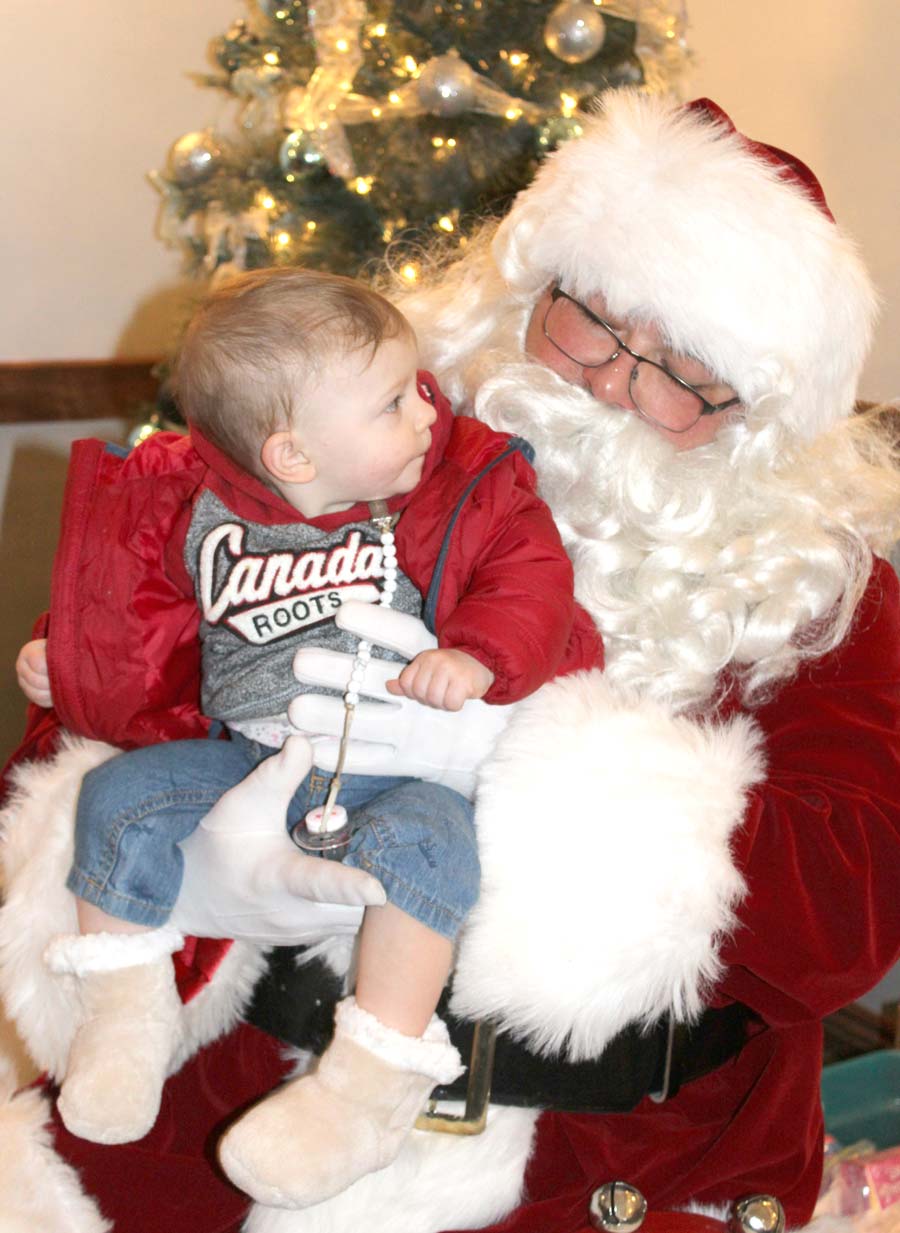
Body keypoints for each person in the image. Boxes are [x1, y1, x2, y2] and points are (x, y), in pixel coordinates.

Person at [4, 88, 900, 1233]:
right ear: (529, 285)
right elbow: (72, 736)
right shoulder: (325, 450)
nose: (614, 384)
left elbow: (852, 912)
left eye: (685, 374)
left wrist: (541, 765)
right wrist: (198, 873)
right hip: (243, 1099)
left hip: (614, 1157)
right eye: (595, 323)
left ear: (758, 415)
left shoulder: (813, 588)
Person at [9, 267, 599, 1210]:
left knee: (434, 848)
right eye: (393, 402)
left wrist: (481, 656)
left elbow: (526, 568)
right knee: (116, 800)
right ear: (290, 452)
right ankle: (124, 1020)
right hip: (247, 758)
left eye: (417, 390)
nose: (425, 414)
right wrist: (64, 657)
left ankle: (366, 1086)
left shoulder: (438, 486)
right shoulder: (199, 505)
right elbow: (125, 607)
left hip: (392, 759)